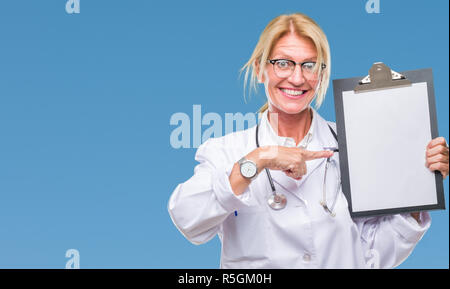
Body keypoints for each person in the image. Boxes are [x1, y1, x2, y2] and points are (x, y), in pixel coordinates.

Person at [167, 13, 449, 269]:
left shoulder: (356, 142)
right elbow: (187, 220)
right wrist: (258, 160)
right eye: (283, 63)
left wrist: (420, 186)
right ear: (259, 69)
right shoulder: (227, 151)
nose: (297, 77)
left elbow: (371, 255)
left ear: (321, 74)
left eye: (309, 65)